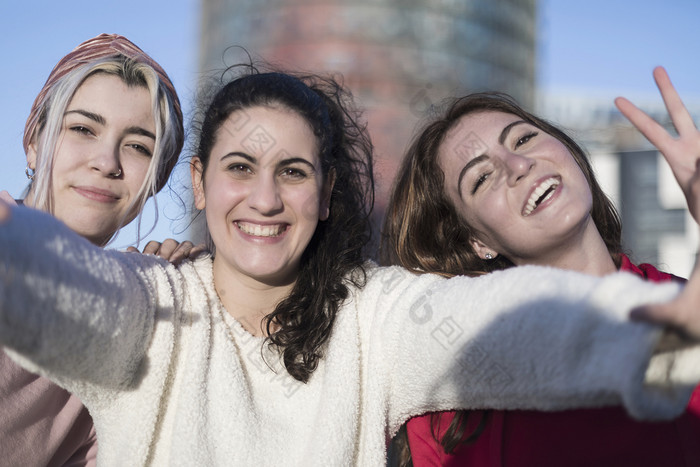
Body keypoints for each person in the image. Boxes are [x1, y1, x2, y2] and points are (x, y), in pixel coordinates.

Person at [0, 67, 699, 467]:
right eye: (240, 168)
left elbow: (517, 326)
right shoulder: (147, 306)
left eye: (294, 171)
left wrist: (668, 335)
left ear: (328, 191)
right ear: (202, 181)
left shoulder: (377, 317)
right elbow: (58, 283)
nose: (266, 199)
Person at [382, 66, 700, 466]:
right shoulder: (449, 405)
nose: (518, 165)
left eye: (524, 139)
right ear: (477, 242)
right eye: (481, 178)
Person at [0, 33, 185, 466]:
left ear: (155, 181)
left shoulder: (138, 310)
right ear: (33, 142)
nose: (107, 161)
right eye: (83, 128)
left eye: (138, 145)